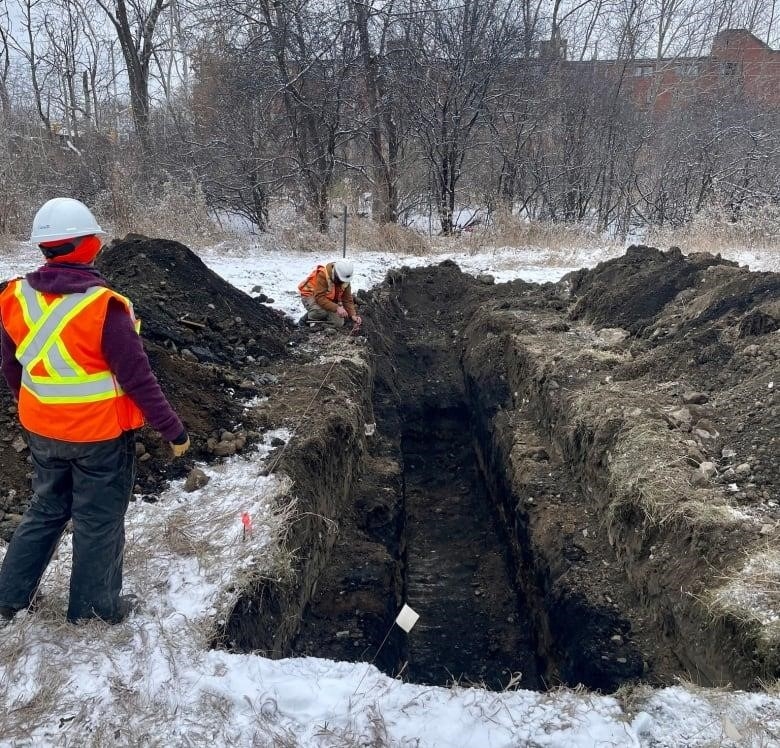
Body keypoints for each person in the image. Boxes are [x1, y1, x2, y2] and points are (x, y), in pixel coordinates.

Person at [0, 197, 190, 625]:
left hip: (43, 431)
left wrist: (35, 408)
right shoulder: (105, 307)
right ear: (86, 246)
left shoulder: (15, 297)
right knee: (98, 520)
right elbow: (139, 380)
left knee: (45, 509)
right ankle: (92, 612)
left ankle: (9, 600)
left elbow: (11, 367)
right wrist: (173, 431)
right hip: (99, 438)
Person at [297, 259, 362, 329]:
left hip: (326, 298)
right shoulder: (323, 274)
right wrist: (337, 308)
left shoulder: (345, 279)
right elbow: (319, 297)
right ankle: (304, 320)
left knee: (338, 323)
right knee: (319, 312)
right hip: (310, 294)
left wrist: (353, 315)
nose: (342, 282)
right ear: (336, 273)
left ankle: (320, 325)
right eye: (341, 280)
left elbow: (347, 299)